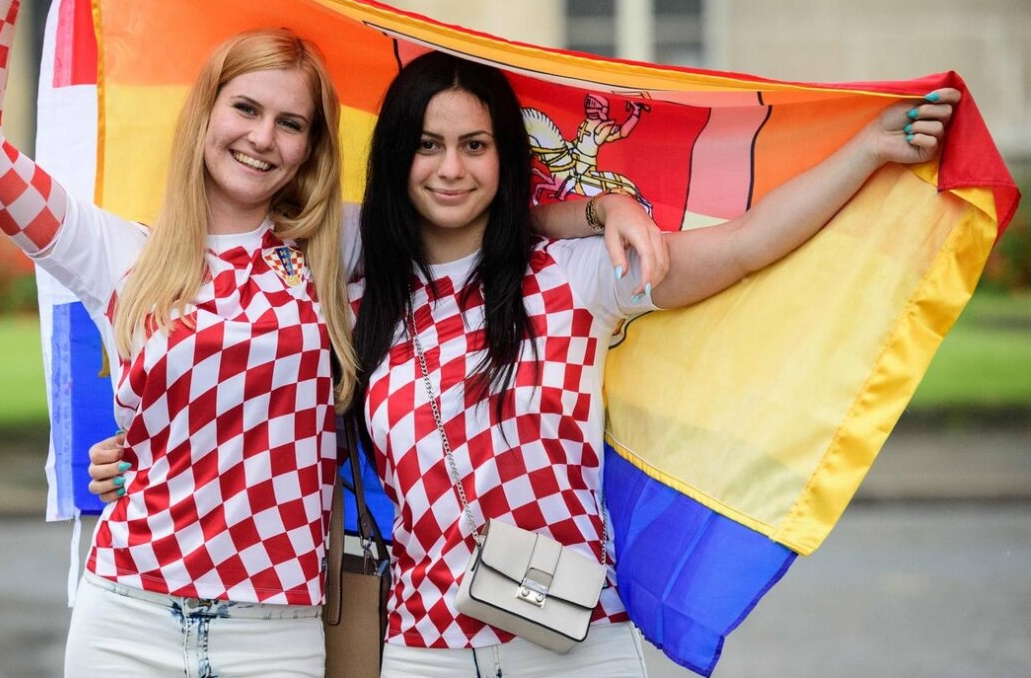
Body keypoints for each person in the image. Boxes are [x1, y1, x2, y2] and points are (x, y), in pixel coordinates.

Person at [344, 52, 958, 677]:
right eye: (428, 145)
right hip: (422, 650)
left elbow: (746, 244)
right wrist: (601, 205)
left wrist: (868, 148)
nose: (452, 168)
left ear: (505, 157)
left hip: (576, 643)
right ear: (396, 157)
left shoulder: (571, 274)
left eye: (474, 145)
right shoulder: (357, 302)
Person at [0, 0, 359, 676]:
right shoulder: (114, 251)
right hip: (124, 615)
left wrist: (599, 214)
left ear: (311, 147)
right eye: (245, 108)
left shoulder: (335, 245)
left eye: (291, 122)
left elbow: (472, 205)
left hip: (273, 633)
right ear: (205, 113)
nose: (263, 137)